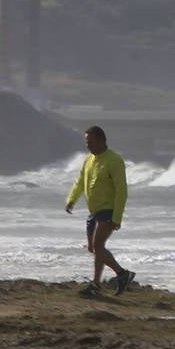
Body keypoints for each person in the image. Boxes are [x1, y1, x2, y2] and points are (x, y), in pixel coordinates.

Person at [63, 126, 134, 297]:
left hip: (108, 210)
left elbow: (121, 191)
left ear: (101, 141)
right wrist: (71, 199)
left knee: (98, 245)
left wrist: (117, 217)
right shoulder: (88, 159)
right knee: (94, 248)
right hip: (94, 211)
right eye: (87, 142)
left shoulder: (114, 160)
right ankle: (122, 275)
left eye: (91, 142)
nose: (88, 145)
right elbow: (80, 181)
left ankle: (97, 283)